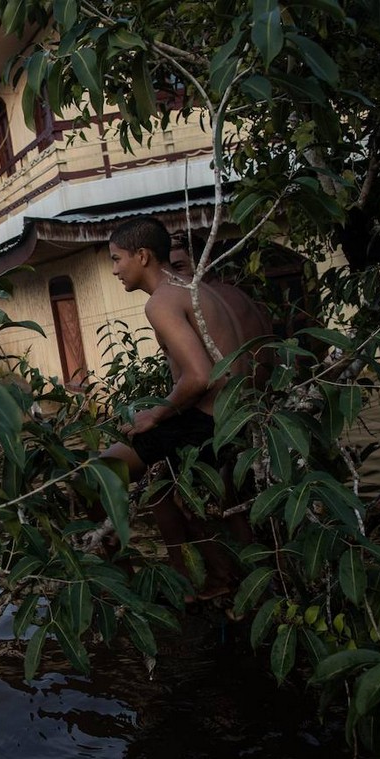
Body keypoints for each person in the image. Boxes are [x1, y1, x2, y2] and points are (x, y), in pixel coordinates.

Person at [101, 217, 272, 599]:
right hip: (238, 417)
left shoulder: (161, 301)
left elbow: (198, 377)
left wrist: (156, 414)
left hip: (207, 420)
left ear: (142, 256)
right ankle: (237, 584)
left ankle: (121, 590)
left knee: (97, 476)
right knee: (189, 495)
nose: (114, 270)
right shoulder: (193, 290)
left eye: (117, 259)